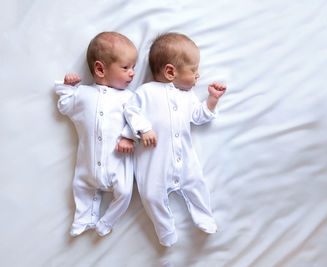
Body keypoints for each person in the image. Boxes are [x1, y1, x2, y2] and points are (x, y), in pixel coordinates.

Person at [117, 32, 227, 246]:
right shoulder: (145, 92)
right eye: (193, 70)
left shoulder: (188, 97)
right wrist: (144, 128)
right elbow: (131, 111)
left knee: (196, 184)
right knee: (151, 195)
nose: (198, 76)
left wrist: (212, 100)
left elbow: (199, 116)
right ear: (170, 71)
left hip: (185, 159)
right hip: (154, 163)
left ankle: (205, 217)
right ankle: (165, 230)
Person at [55, 31, 138, 237]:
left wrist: (128, 136)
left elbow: (139, 119)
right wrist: (67, 87)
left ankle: (107, 222)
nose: (133, 73)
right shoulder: (83, 94)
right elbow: (65, 106)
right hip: (88, 164)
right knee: (81, 187)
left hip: (118, 162)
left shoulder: (129, 98)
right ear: (100, 69)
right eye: (126, 67)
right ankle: (83, 219)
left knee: (126, 192)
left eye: (134, 67)